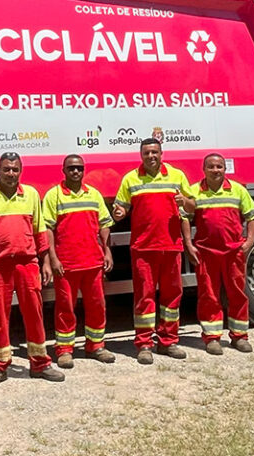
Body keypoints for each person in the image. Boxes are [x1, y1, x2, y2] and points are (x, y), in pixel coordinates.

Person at [0, 152, 64, 388]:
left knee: (34, 313)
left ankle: (40, 363)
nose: (11, 173)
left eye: (15, 169)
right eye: (6, 169)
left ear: (20, 171)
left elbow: (40, 229)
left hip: (26, 263)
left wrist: (46, 261)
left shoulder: (30, 194)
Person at [112, 138, 194, 364]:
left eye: (154, 152)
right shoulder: (130, 178)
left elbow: (193, 207)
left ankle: (168, 342)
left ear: (161, 153)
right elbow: (120, 207)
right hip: (143, 248)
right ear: (141, 155)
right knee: (144, 298)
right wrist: (118, 213)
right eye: (147, 153)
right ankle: (144, 344)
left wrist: (185, 200)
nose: (151, 156)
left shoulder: (176, 176)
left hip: (171, 247)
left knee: (171, 297)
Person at [181, 153, 254, 354]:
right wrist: (189, 244)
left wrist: (250, 240)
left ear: (225, 169)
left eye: (219, 166)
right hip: (206, 253)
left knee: (237, 293)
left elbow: (253, 216)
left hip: (233, 252)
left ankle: (239, 336)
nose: (215, 170)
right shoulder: (194, 191)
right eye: (211, 167)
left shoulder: (237, 190)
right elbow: (184, 217)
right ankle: (212, 338)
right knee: (209, 295)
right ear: (204, 169)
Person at [43, 154, 116, 368]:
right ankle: (65, 350)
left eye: (79, 168)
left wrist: (107, 251)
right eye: (71, 168)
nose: (76, 171)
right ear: (63, 170)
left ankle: (96, 346)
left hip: (93, 262)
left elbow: (104, 224)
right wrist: (53, 259)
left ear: (84, 170)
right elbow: (46, 228)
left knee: (97, 305)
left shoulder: (93, 194)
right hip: (65, 265)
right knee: (65, 307)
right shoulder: (53, 195)